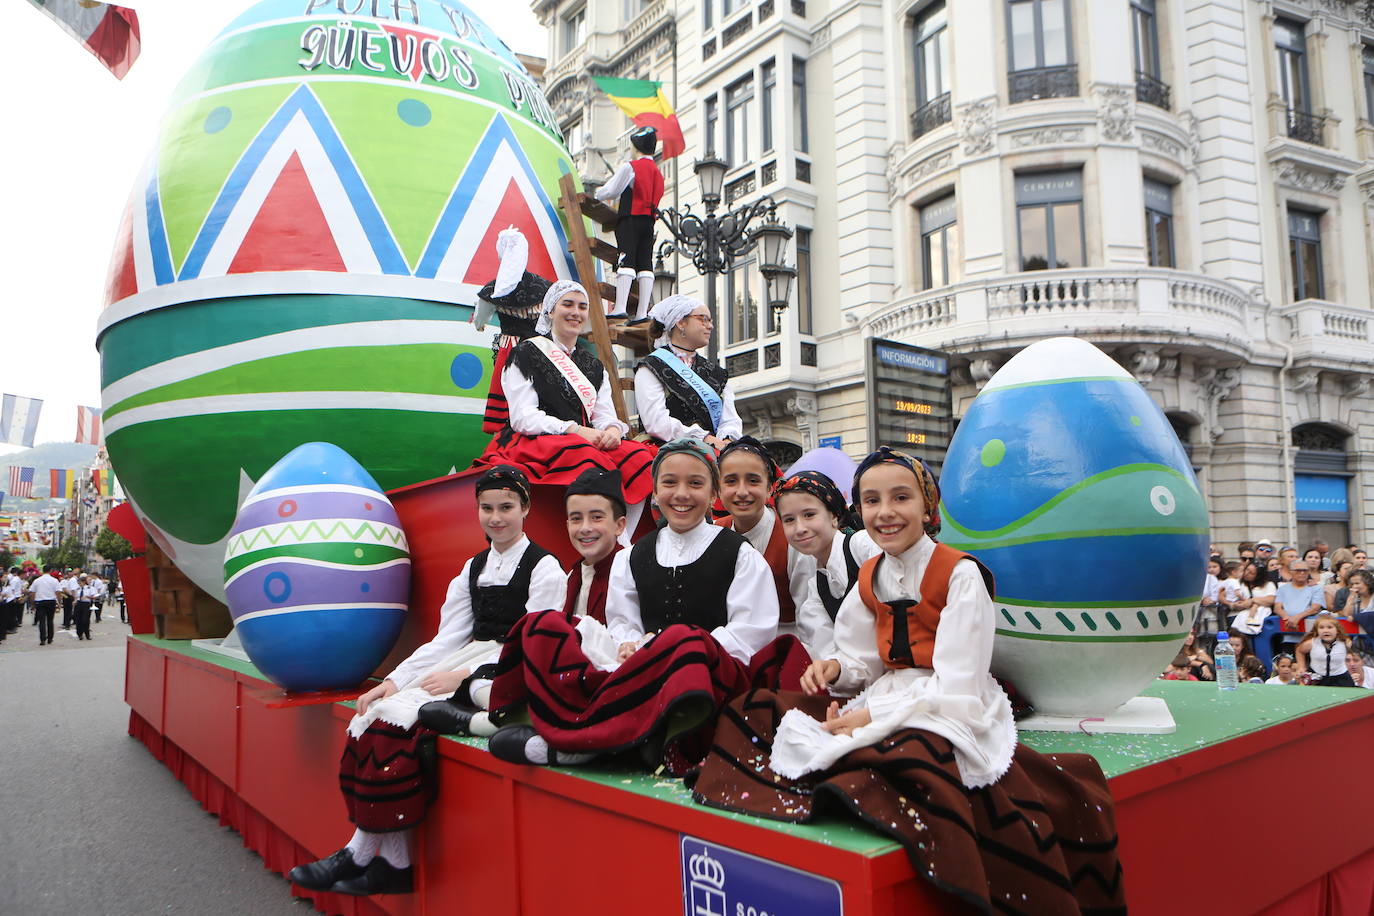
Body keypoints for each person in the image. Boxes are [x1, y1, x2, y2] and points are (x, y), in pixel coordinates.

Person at [287, 466, 563, 898]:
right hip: (465, 658)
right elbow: (445, 639)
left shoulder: (545, 568)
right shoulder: (473, 567)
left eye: (506, 507)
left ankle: (361, 855)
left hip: (507, 670)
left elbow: (534, 641)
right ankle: (392, 861)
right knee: (377, 712)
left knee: (400, 720)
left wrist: (465, 675)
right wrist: (394, 682)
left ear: (525, 508)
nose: (496, 518)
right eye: (487, 508)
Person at [487, 438, 798, 773]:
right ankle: (562, 725)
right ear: (654, 491)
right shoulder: (632, 555)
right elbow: (621, 620)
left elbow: (750, 633)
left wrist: (663, 650)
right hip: (637, 670)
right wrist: (629, 645)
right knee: (544, 625)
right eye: (669, 482)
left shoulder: (742, 555)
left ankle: (587, 743)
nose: (681, 494)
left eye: (695, 483)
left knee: (684, 640)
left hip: (704, 680)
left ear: (712, 495)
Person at [477, 279, 655, 522]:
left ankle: (622, 537)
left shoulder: (593, 365)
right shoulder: (525, 353)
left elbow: (602, 414)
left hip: (584, 439)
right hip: (536, 441)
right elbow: (523, 417)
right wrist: (575, 430)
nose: (576, 312)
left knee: (642, 458)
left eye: (582, 307)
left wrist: (612, 429)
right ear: (550, 310)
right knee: (586, 458)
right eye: (568, 304)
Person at [773, 469, 879, 663]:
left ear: (834, 516)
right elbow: (825, 649)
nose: (800, 528)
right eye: (789, 520)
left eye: (809, 515)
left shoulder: (863, 546)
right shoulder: (817, 586)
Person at [715, 437, 807, 631]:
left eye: (753, 481)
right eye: (731, 481)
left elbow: (808, 613)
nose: (742, 491)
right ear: (719, 490)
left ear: (769, 488)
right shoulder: (713, 533)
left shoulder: (793, 537)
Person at [634, 295, 742, 448]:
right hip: (667, 449)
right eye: (703, 319)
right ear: (680, 322)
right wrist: (703, 438)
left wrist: (728, 440)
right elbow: (656, 422)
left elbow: (730, 420)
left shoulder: (716, 373)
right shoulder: (652, 366)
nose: (710, 326)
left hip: (717, 448)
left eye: (710, 320)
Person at [472, 227, 549, 434]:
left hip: (511, 349)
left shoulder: (492, 290)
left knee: (509, 393)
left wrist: (480, 325)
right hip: (541, 348)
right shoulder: (543, 286)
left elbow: (480, 318)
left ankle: (508, 432)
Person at [594, 125, 664, 320]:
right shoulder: (658, 173)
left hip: (630, 219)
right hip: (649, 222)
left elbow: (611, 191)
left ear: (637, 147)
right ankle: (642, 312)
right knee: (645, 264)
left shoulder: (631, 167)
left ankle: (620, 307)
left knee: (625, 260)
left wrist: (597, 194)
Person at [1295, 614, 1354, 687]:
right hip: (1317, 677)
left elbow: (1353, 657)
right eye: (1321, 628)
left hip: (1340, 677)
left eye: (1330, 627)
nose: (1326, 631)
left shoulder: (1345, 643)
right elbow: (1299, 651)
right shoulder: (1312, 643)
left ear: (1337, 630)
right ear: (1317, 630)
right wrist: (1301, 666)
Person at [1275, 559, 1324, 631]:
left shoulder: (1316, 588)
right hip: (1287, 631)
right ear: (1291, 572)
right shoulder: (1282, 588)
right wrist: (1287, 618)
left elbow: (1315, 608)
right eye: (1298, 570)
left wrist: (1297, 617)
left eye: (1305, 570)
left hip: (1310, 631)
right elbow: (1277, 608)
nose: (1302, 573)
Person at [28, 566, 60, 646]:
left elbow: (32, 592)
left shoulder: (37, 581)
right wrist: (59, 602)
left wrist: (32, 603)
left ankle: (42, 639)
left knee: (41, 621)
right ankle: (50, 638)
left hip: (40, 602)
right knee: (50, 620)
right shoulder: (54, 580)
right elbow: (58, 592)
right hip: (51, 601)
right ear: (50, 570)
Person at [72, 574, 97, 641]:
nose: (79, 584)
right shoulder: (78, 589)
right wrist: (75, 601)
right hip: (79, 604)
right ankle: (79, 634)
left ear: (83, 582)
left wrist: (87, 597)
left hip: (86, 604)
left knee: (85, 620)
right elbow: (76, 597)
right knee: (78, 620)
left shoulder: (90, 588)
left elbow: (94, 596)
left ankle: (87, 634)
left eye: (80, 582)